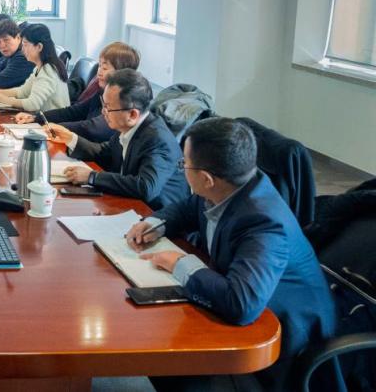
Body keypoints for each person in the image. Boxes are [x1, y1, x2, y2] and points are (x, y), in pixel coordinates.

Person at [127, 118, 338, 391]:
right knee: (163, 344)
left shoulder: (264, 222)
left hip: (281, 348)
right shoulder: (229, 186)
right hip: (243, 307)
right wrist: (155, 223)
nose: (182, 168)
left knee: (168, 356)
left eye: (184, 164)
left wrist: (180, 263)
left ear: (206, 179)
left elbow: (242, 305)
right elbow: (189, 207)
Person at [43, 69, 187, 210]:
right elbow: (104, 152)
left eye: (108, 107)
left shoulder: (157, 139)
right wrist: (70, 138)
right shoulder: (129, 126)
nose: (103, 112)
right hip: (128, 204)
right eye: (103, 104)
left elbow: (145, 187)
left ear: (132, 114)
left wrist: (92, 177)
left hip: (154, 215)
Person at [15, 41, 140, 142]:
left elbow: (94, 127)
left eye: (105, 68)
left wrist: (57, 128)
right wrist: (37, 118)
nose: (99, 72)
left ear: (121, 72)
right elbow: (73, 112)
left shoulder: (124, 100)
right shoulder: (101, 92)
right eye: (99, 66)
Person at [0, 23, 70, 112]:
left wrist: (1, 98)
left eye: (25, 45)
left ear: (39, 47)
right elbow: (22, 92)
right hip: (41, 117)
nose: (22, 49)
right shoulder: (39, 67)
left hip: (52, 120)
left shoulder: (48, 70)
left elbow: (32, 104)